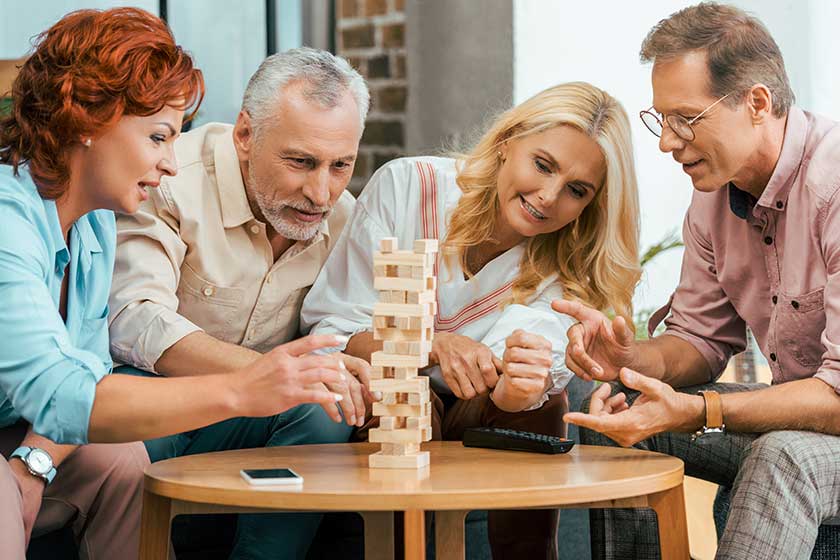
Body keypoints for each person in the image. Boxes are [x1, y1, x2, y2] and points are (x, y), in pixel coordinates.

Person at [0, 9, 346, 559]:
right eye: (158, 137)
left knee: (120, 463)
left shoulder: (92, 224)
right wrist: (242, 387)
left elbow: (86, 367)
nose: (169, 163)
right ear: (84, 121)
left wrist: (32, 465)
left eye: (174, 137)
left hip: (19, 430)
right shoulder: (8, 221)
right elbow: (62, 392)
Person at [302, 81, 641, 559]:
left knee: (545, 406)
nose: (547, 197)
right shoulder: (408, 186)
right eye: (542, 165)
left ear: (591, 204)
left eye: (576, 190)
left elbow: (507, 389)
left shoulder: (567, 265)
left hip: (478, 405)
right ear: (507, 144)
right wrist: (430, 344)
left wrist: (517, 391)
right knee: (402, 393)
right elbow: (330, 330)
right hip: (391, 391)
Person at [554, 3, 840, 559]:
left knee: (783, 457)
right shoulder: (712, 199)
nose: (666, 141)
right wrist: (630, 360)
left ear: (756, 103)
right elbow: (700, 340)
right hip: (801, 415)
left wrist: (703, 409)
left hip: (822, 423)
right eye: (661, 119)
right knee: (611, 407)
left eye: (686, 118)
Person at [107, 47, 372, 559]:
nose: (321, 193)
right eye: (301, 162)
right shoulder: (167, 177)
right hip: (150, 401)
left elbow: (347, 321)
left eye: (341, 166)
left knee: (322, 407)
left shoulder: (343, 218)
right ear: (246, 134)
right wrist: (265, 374)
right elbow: (132, 317)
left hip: (248, 418)